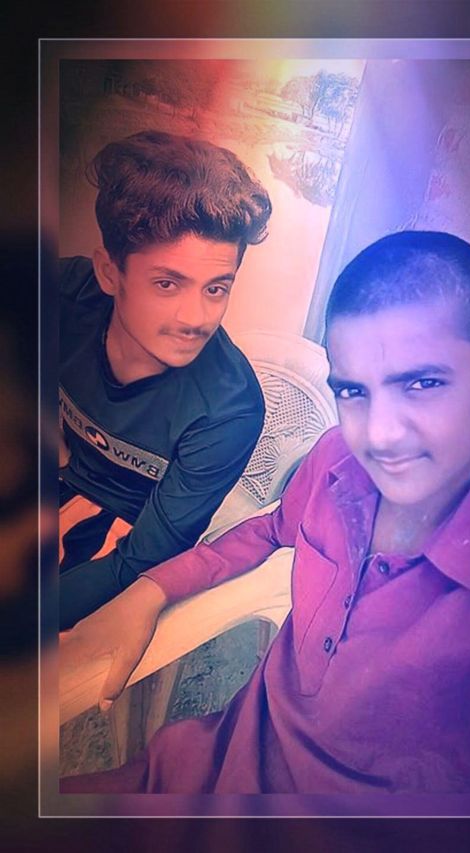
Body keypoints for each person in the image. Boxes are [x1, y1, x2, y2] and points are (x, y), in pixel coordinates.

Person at [60, 231, 470, 794]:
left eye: (422, 383)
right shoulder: (337, 460)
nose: (381, 435)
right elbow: (269, 530)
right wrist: (151, 589)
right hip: (203, 768)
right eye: (354, 391)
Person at [58, 130, 272, 630]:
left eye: (216, 289)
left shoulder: (229, 410)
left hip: (116, 540)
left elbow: (141, 562)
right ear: (109, 273)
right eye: (167, 283)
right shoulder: (63, 293)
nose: (195, 318)